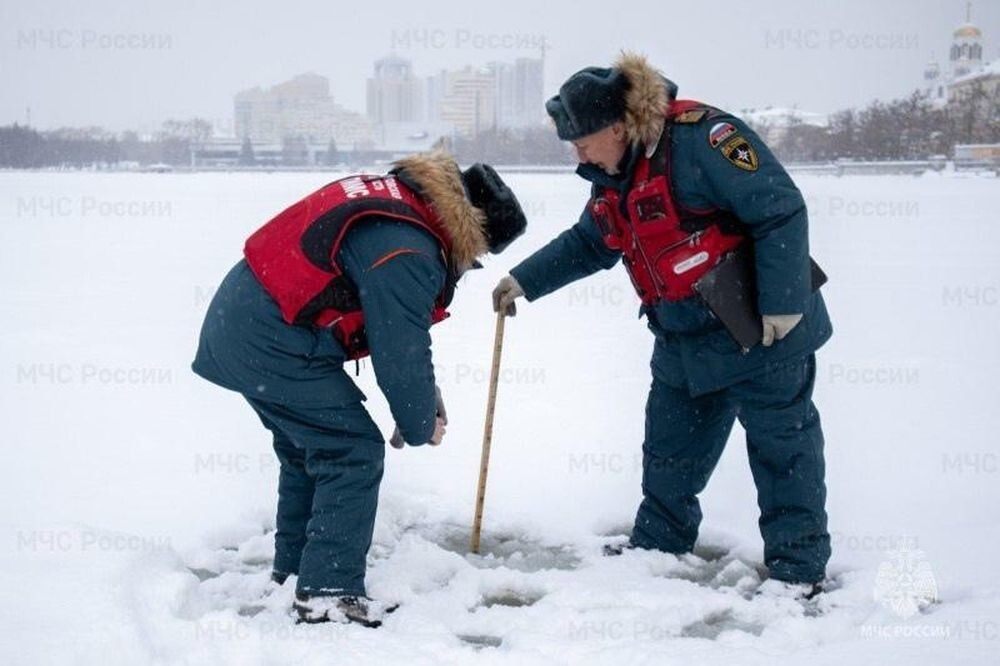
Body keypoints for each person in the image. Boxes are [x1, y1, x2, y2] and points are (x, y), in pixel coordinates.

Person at [492, 53, 833, 598]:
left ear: (620, 126)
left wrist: (784, 303)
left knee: (782, 452)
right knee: (670, 449)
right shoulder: (612, 173)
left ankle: (798, 572)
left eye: (582, 142)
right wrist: (525, 280)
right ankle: (658, 548)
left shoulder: (705, 140)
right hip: (682, 336)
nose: (577, 154)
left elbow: (779, 208)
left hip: (758, 328)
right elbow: (592, 241)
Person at [193, 151, 526, 626]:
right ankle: (328, 591)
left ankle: (293, 573)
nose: (470, 265)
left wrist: (423, 396)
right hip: (269, 340)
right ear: (471, 233)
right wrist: (418, 423)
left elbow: (396, 337)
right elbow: (399, 346)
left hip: (249, 328)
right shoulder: (410, 250)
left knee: (311, 451)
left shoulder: (401, 204)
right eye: (477, 259)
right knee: (353, 452)